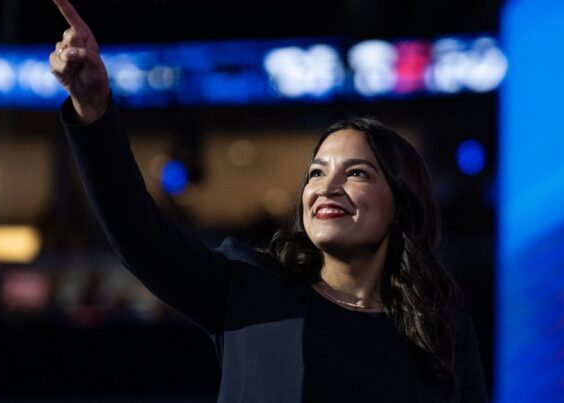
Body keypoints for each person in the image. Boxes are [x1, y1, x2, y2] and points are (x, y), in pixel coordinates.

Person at [49, 0, 488, 401]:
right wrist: (93, 108)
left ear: (402, 202)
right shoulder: (248, 288)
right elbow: (136, 232)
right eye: (317, 172)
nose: (326, 187)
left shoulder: (445, 335)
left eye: (356, 173)